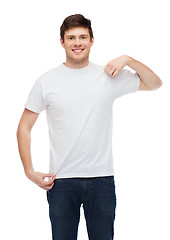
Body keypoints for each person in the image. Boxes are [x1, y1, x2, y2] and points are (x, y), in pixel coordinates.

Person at [16, 14, 162, 240]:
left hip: (102, 180)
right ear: (62, 42)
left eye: (83, 37)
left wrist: (128, 59)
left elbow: (155, 84)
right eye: (71, 38)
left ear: (92, 40)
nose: (77, 43)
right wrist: (29, 171)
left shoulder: (108, 76)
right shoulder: (46, 81)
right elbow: (24, 127)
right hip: (61, 181)